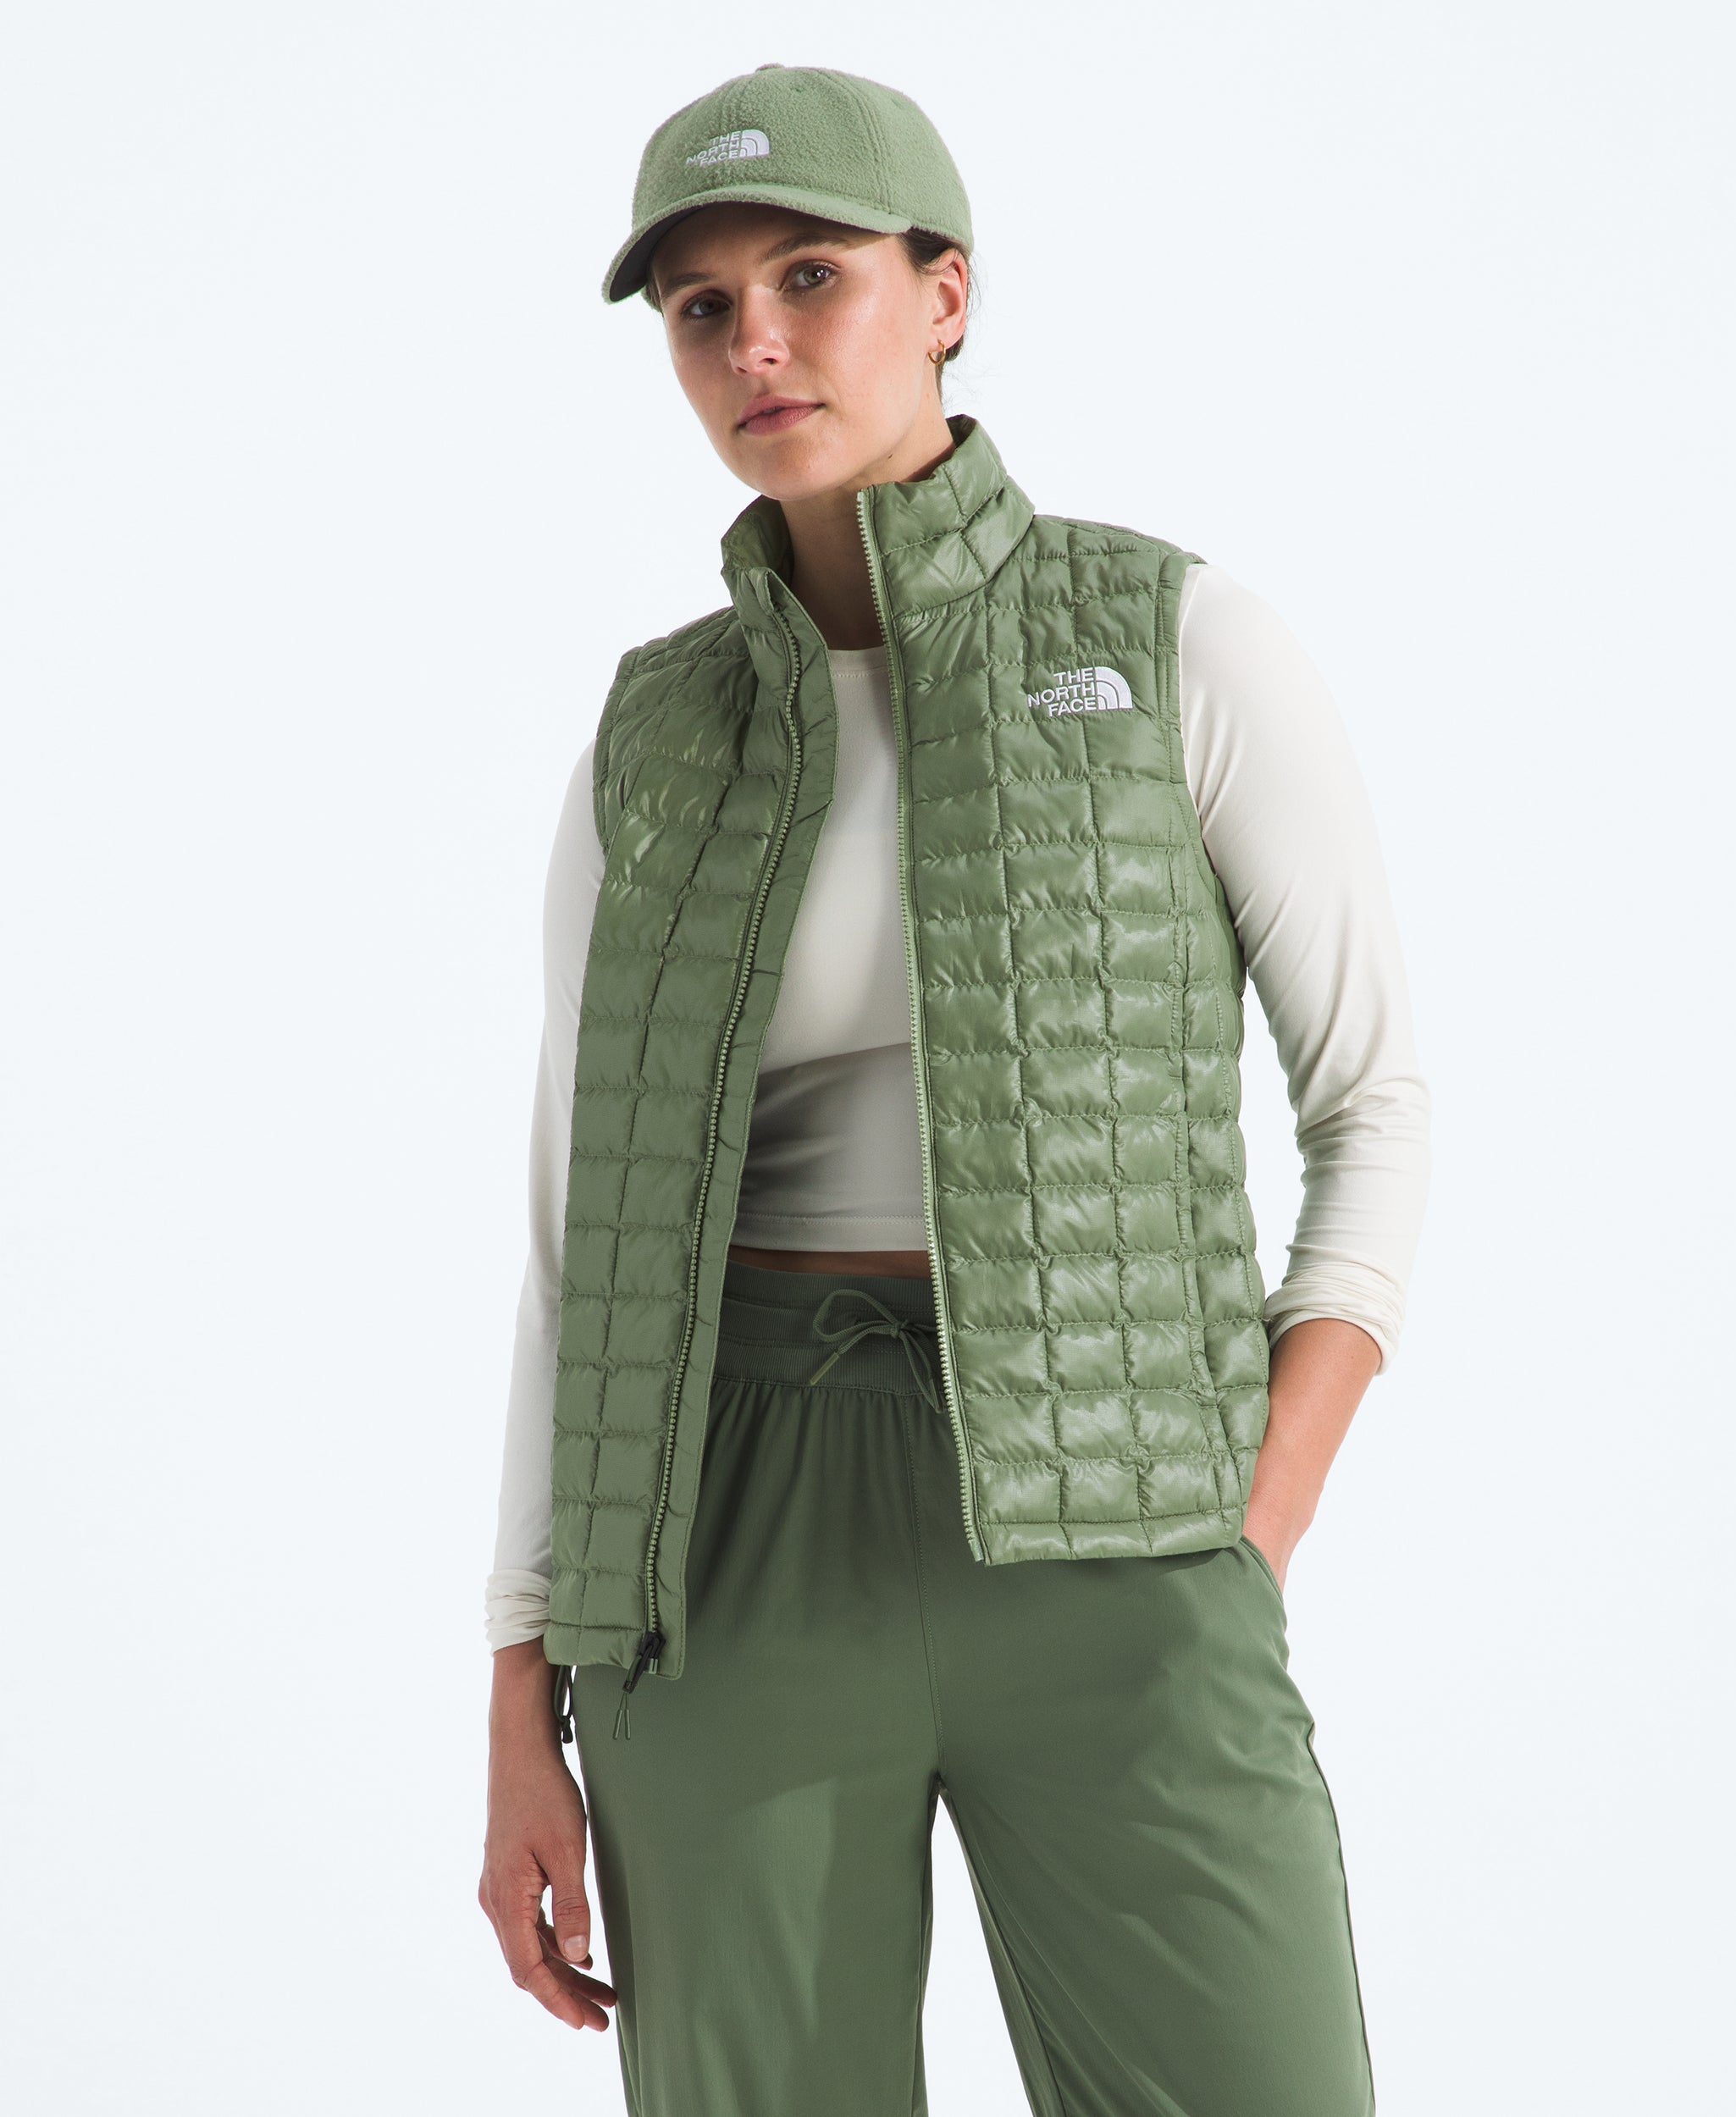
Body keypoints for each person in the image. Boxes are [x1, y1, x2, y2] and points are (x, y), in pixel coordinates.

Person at [477, 63, 1429, 2117]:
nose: (754, 342)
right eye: (701, 307)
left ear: (945, 294)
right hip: (730, 1538)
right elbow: (577, 1241)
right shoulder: (654, 737)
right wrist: (516, 1692)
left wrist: (1248, 1527)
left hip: (1127, 1533)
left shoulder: (1173, 642)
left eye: (809, 278)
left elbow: (1373, 1104)